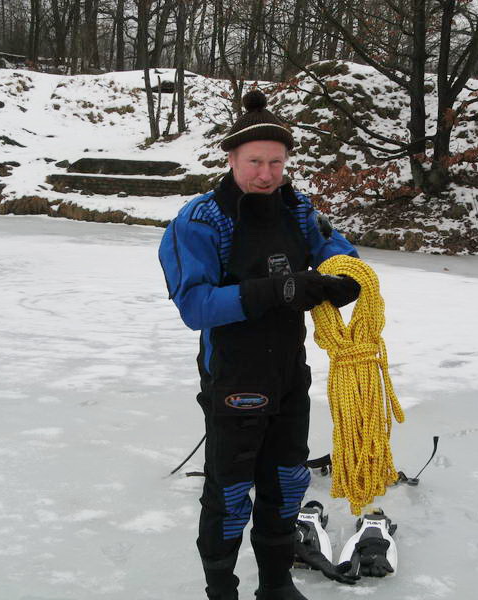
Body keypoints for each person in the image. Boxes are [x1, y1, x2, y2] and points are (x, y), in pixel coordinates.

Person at [158, 89, 360, 600]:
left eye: (276, 162)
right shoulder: (202, 220)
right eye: (254, 162)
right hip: (234, 375)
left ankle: (275, 583)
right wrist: (283, 288)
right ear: (231, 159)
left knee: (289, 481)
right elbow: (195, 306)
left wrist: (344, 276)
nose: (266, 174)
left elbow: (339, 252)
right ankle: (221, 589)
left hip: (289, 372)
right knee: (229, 493)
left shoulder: (297, 210)